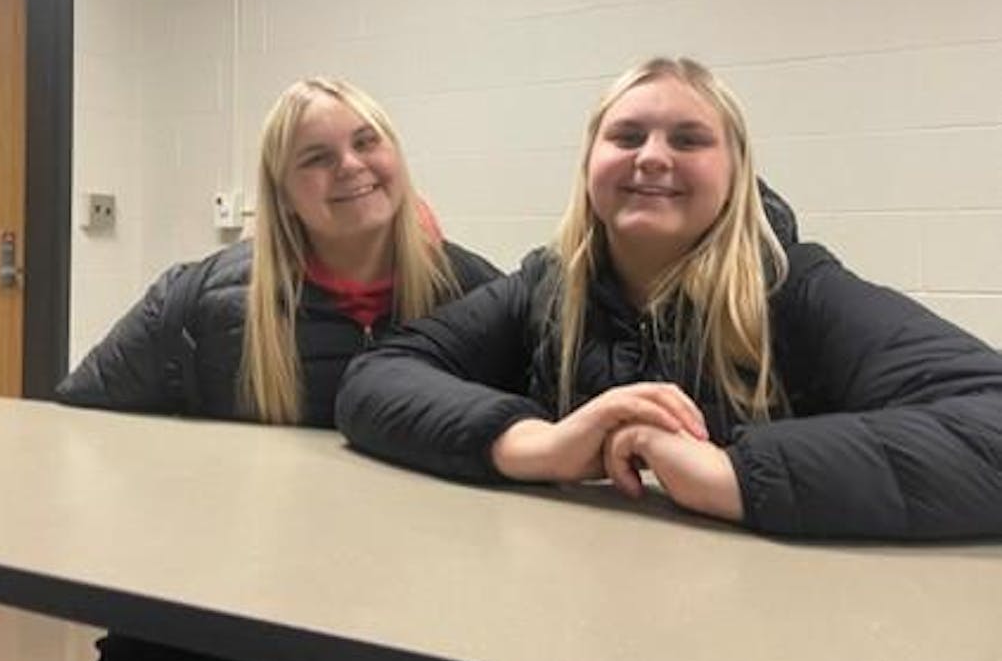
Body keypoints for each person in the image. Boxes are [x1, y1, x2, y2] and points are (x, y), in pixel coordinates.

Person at [336, 56, 1002, 540]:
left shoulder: (796, 288)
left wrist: (736, 475)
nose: (652, 157)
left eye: (688, 139)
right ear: (589, 162)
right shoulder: (544, 287)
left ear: (736, 169)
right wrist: (535, 444)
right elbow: (377, 377)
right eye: (627, 136)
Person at [57, 78, 501, 661]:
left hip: (404, 610)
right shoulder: (195, 300)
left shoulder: (479, 296)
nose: (350, 166)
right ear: (284, 195)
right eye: (316, 158)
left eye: (367, 142)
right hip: (219, 617)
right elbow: (76, 430)